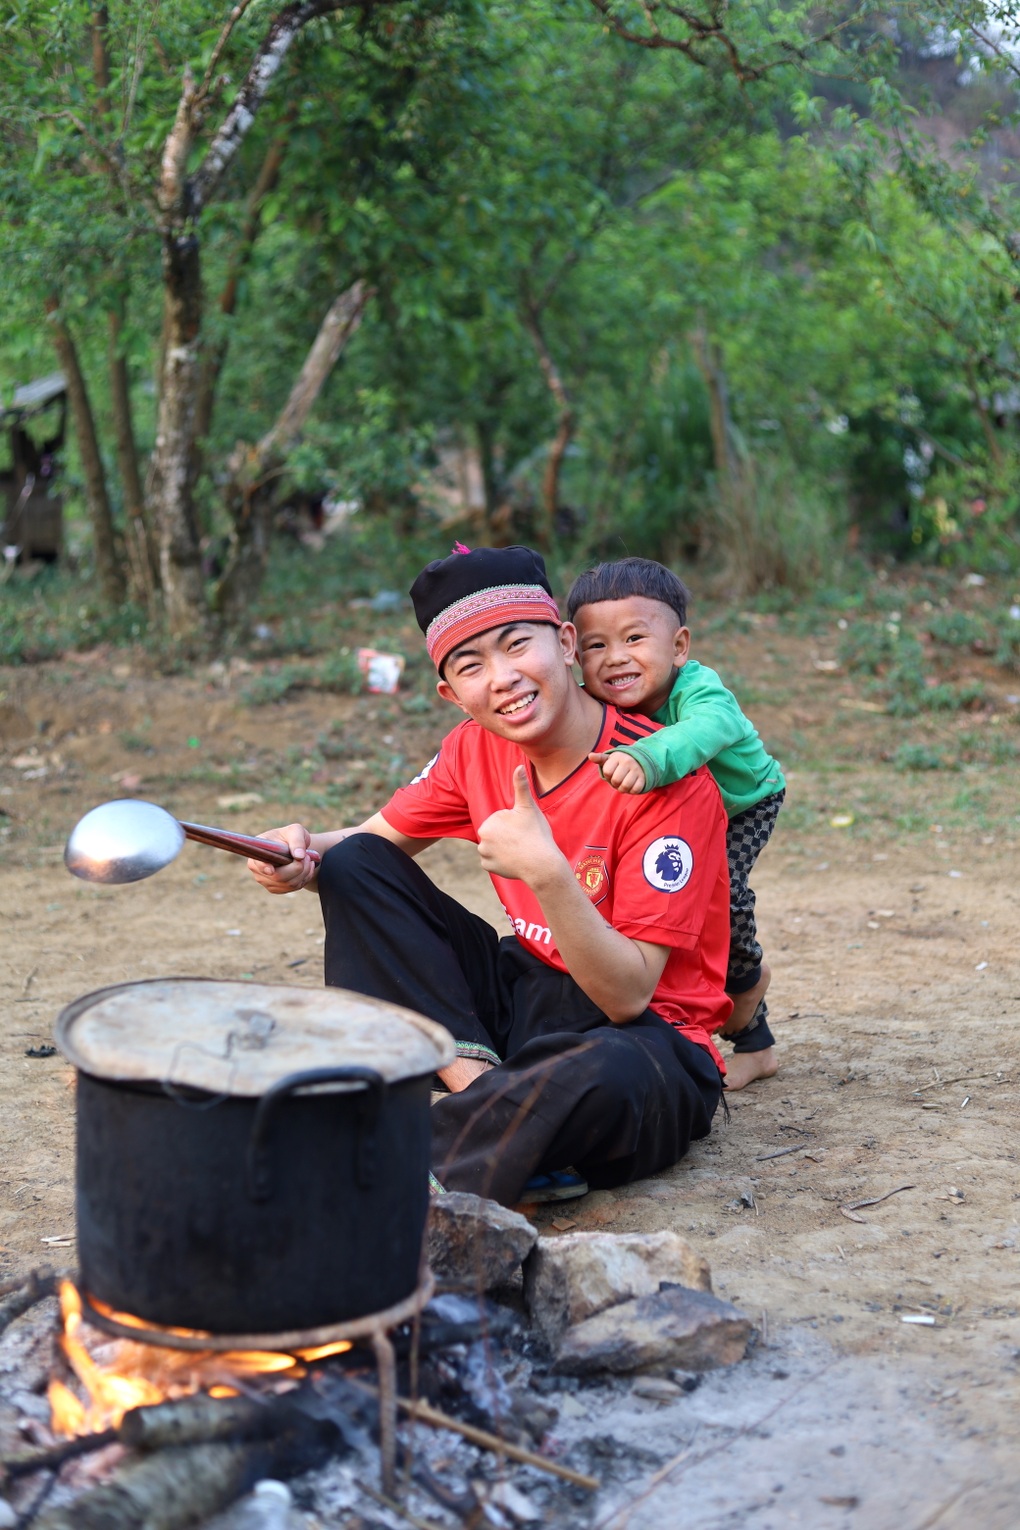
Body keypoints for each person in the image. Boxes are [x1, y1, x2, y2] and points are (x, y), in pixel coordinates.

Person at [248, 544, 731, 1208]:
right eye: (471, 666)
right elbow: (371, 846)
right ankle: (484, 1095)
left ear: (565, 643)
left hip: (648, 1036)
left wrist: (549, 874)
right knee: (353, 866)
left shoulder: (661, 778)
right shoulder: (474, 747)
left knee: (608, 1075)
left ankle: (387, 1153)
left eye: (515, 646)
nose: (502, 678)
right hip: (529, 1002)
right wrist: (298, 854)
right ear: (451, 693)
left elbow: (627, 997)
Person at [566, 558, 785, 1092]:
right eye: (596, 646)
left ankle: (746, 980)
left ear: (679, 647)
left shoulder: (698, 689)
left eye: (635, 638)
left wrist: (648, 758)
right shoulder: (595, 704)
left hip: (742, 803)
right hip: (672, 813)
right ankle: (757, 1047)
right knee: (659, 922)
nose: (616, 658)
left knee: (720, 904)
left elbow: (713, 727)